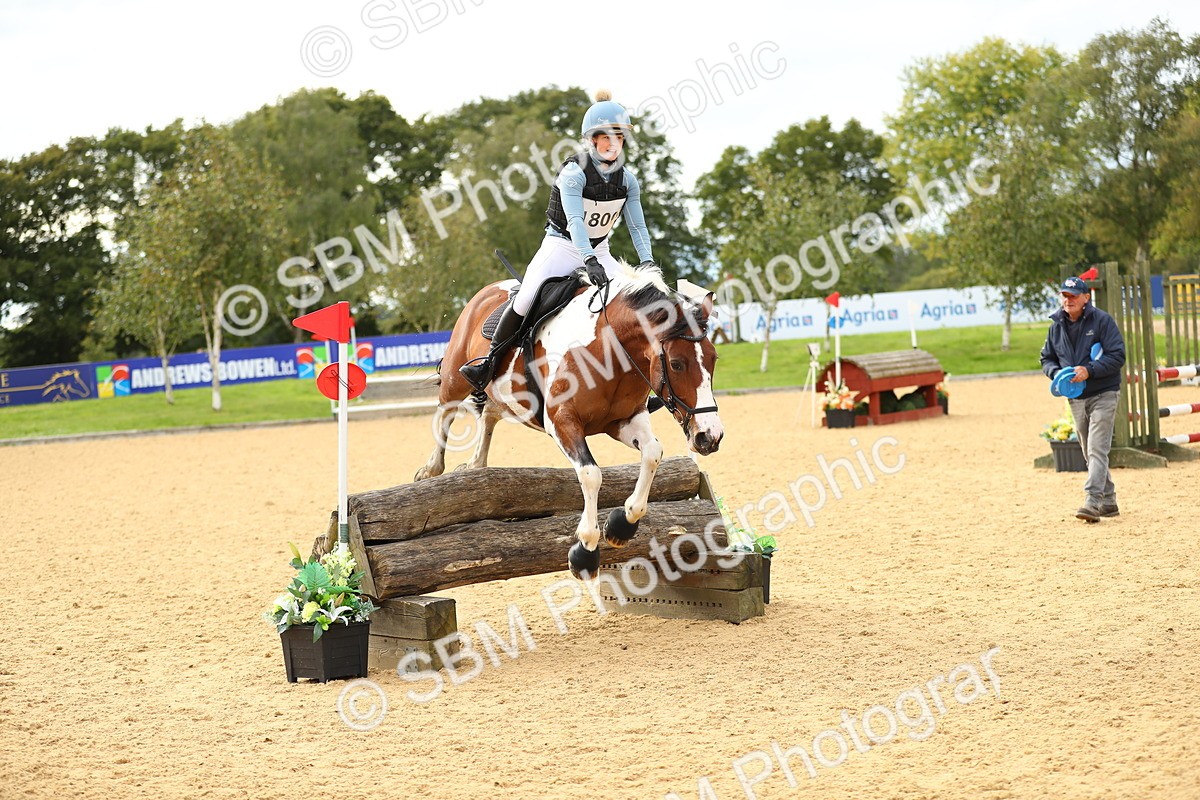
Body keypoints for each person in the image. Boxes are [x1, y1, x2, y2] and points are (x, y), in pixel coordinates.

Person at [460, 90, 656, 391]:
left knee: (639, 301)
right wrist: (587, 259)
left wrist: (647, 264)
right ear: (592, 140)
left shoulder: (628, 181)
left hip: (601, 250)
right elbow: (576, 221)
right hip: (561, 246)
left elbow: (638, 227)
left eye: (619, 136)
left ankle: (648, 378)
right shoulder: (574, 173)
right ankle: (488, 362)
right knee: (526, 297)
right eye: (606, 137)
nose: (613, 143)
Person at [1039, 276, 1126, 522]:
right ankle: (1109, 501)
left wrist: (1090, 370)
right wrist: (1056, 374)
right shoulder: (1055, 326)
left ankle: (1092, 501)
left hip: (1104, 393)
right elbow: (1046, 358)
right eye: (1065, 296)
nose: (1068, 300)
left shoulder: (1103, 321)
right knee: (1089, 452)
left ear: (1086, 298)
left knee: (1097, 448)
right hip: (1075, 397)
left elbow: (1118, 355)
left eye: (1073, 296)